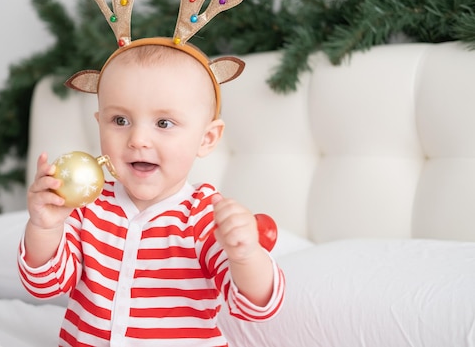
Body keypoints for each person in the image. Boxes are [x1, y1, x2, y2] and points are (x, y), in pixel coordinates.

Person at [18, 42, 285, 346]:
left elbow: (255, 307)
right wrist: (44, 227)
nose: (138, 139)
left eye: (163, 123)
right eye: (120, 120)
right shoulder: (86, 205)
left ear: (206, 138)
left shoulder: (205, 217)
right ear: (99, 125)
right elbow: (44, 285)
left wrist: (246, 255)